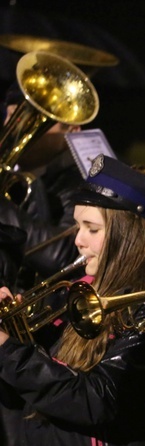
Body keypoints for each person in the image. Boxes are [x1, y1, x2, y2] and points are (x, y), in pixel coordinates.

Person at [0, 154, 145, 446]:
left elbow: (96, 400)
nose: (78, 240)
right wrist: (16, 334)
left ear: (126, 235)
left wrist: (10, 350)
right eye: (78, 226)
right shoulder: (71, 294)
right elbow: (21, 397)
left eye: (92, 229)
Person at [0, 84, 86, 291]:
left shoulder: (82, 176)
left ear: (73, 129)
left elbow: (63, 255)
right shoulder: (15, 176)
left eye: (33, 119)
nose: (15, 128)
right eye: (12, 115)